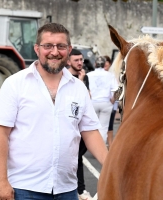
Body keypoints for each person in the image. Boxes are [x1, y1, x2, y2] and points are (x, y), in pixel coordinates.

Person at [0, 22, 108, 200]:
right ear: (37, 49)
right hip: (24, 188)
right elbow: (0, 134)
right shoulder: (15, 84)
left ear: (69, 50)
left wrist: (112, 167)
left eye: (61, 46)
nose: (54, 52)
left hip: (67, 189)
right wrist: (1, 181)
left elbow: (90, 132)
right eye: (48, 46)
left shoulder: (78, 88)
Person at [67, 48, 92, 200]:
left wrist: (82, 81)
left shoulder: (84, 77)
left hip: (82, 124)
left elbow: (88, 98)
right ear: (69, 62)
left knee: (77, 157)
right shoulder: (65, 77)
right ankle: (79, 189)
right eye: (76, 60)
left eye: (81, 60)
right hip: (70, 123)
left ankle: (80, 190)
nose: (80, 63)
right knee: (75, 157)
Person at [87, 56, 118, 144]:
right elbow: (115, 89)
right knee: (103, 127)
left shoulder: (89, 75)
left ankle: (92, 144)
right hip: (105, 102)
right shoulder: (110, 75)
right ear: (104, 64)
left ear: (95, 64)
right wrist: (113, 99)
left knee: (93, 126)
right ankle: (101, 146)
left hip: (93, 102)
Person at [103, 55, 119, 148]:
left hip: (111, 104)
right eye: (103, 61)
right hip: (100, 103)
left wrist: (114, 98)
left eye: (106, 61)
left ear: (109, 63)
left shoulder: (113, 75)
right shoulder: (96, 75)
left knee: (110, 125)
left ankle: (110, 144)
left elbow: (117, 88)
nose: (105, 63)